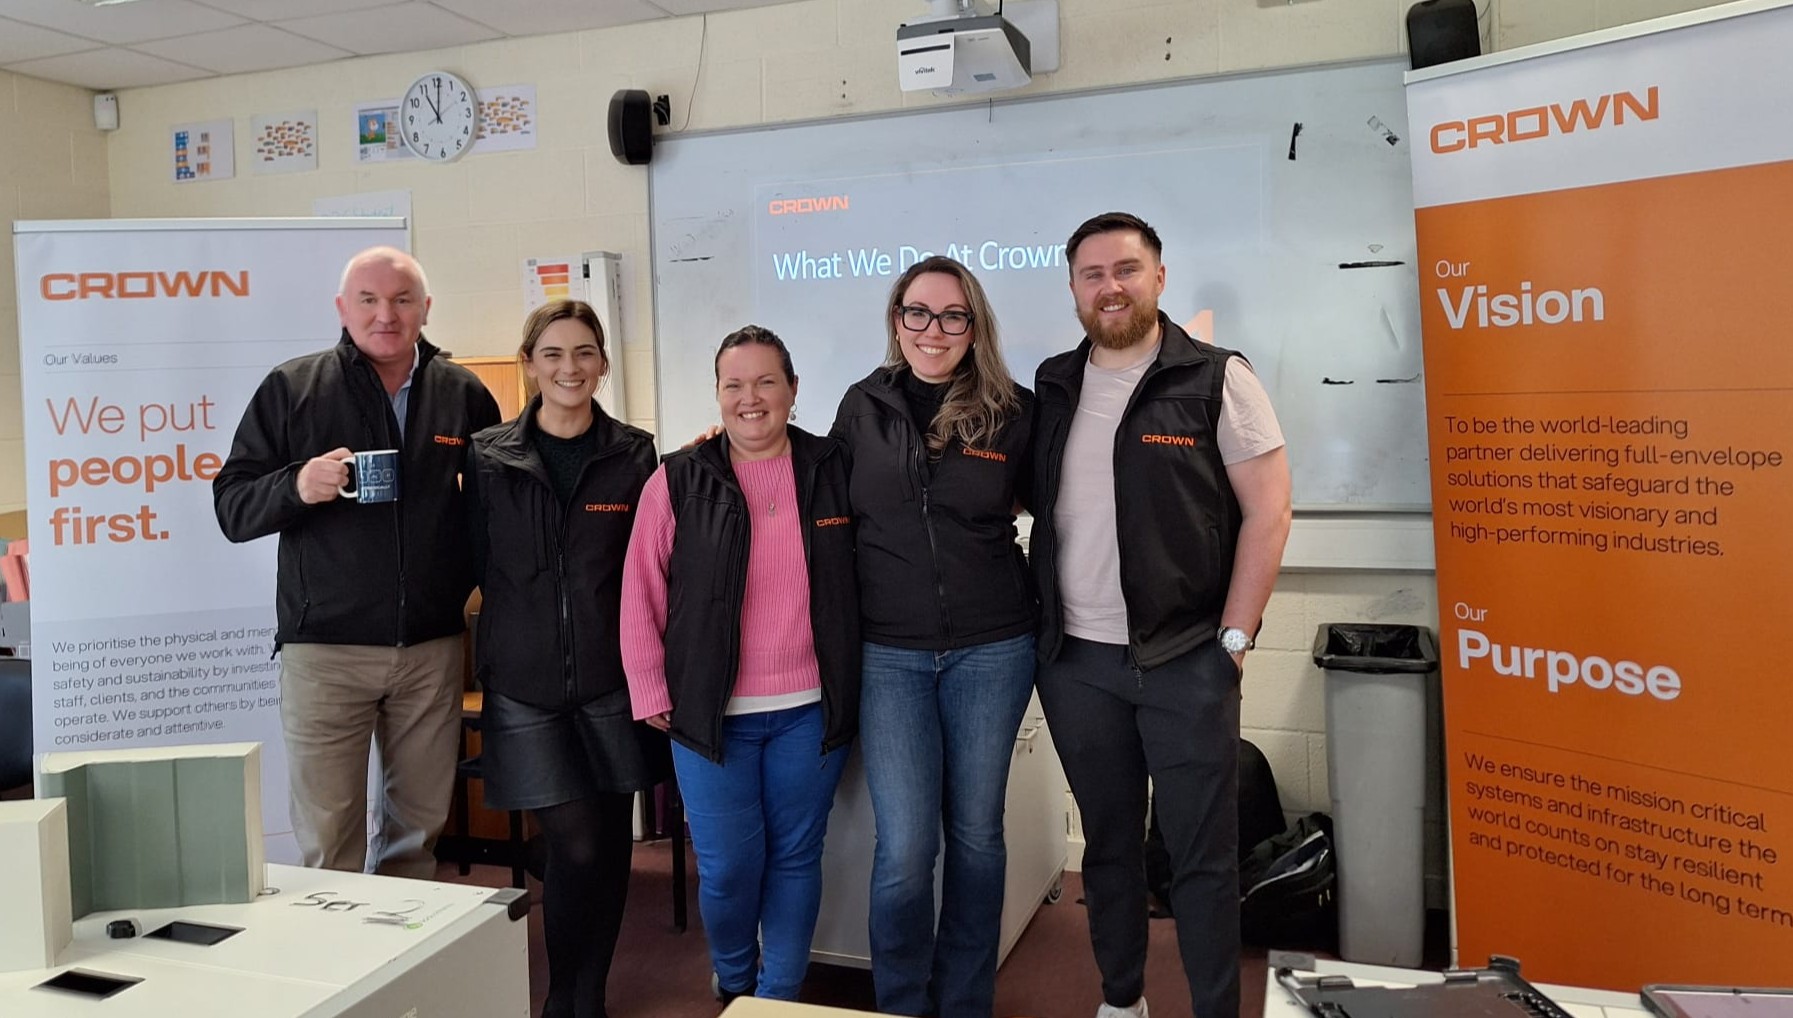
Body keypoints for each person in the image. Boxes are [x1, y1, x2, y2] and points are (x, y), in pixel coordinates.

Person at [1028, 213, 1293, 1018]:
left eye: (1126, 269)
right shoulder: (1052, 383)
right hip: (1077, 665)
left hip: (1185, 662)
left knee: (1200, 859)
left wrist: (1233, 643)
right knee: (1108, 849)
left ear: (1158, 278)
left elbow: (1269, 511)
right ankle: (1121, 1002)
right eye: (1092, 274)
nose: (1109, 287)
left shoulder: (1216, 378)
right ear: (1072, 288)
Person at [214, 246, 501, 877]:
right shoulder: (293, 388)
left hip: (430, 649)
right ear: (343, 309)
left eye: (402, 300)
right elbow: (232, 508)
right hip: (326, 653)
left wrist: (461, 591)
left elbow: (491, 512)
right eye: (368, 300)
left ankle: (405, 943)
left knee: (416, 835)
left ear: (426, 308)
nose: (386, 315)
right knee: (329, 841)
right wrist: (296, 485)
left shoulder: (463, 394)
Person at [620, 325, 860, 1003]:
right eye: (734, 385)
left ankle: (776, 998)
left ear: (792, 389)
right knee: (727, 868)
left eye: (765, 382)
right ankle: (733, 981)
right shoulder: (679, 478)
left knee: (795, 859)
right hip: (709, 713)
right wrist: (648, 686)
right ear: (718, 393)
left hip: (810, 710)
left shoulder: (833, 468)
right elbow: (640, 587)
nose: (749, 398)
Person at [829, 256, 1037, 1018]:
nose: (933, 330)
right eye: (917, 312)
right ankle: (901, 1003)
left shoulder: (1012, 411)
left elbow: (1063, 509)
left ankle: (965, 1001)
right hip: (888, 654)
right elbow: (817, 499)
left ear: (973, 326)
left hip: (992, 648)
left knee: (977, 835)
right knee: (907, 846)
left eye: (952, 316)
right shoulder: (862, 406)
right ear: (897, 320)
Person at [462, 301, 669, 1018]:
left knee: (608, 845)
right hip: (525, 683)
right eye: (552, 353)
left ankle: (590, 996)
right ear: (529, 364)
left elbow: (649, 564)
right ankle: (561, 997)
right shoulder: (487, 455)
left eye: (584, 352)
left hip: (614, 681)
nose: (569, 368)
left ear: (603, 363)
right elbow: (478, 559)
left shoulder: (634, 454)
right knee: (575, 845)